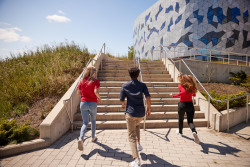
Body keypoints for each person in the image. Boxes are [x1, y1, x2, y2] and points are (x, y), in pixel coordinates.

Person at [120, 67, 151, 167]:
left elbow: (121, 99)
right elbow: (148, 97)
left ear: (129, 75)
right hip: (141, 113)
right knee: (137, 126)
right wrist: (149, 109)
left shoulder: (125, 85)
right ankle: (139, 145)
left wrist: (123, 104)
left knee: (131, 136)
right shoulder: (142, 85)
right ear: (138, 74)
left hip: (130, 113)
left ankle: (136, 159)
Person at [77, 66, 101, 151]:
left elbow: (78, 93)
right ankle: (93, 137)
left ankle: (81, 138)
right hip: (92, 103)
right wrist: (99, 98)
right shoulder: (96, 81)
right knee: (93, 120)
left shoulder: (81, 81)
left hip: (83, 103)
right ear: (94, 72)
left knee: (85, 122)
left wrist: (85, 92)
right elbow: (96, 92)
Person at [171, 74, 200, 144]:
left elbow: (183, 92)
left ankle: (180, 132)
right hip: (190, 105)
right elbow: (194, 95)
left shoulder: (181, 86)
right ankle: (194, 131)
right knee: (190, 121)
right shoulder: (191, 87)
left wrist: (173, 95)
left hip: (182, 105)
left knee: (180, 119)